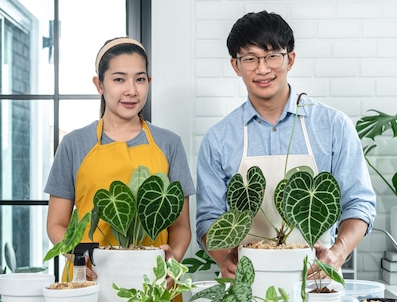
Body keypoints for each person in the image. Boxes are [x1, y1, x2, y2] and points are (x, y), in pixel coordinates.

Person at [196, 11, 376, 279]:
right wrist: (226, 260)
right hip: (247, 283)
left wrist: (336, 254)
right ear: (235, 65)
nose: (262, 69)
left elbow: (359, 203)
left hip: (317, 278)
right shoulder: (219, 139)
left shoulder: (334, 126)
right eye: (250, 59)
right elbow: (208, 219)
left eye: (272, 56)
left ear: (289, 59)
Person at [45, 37, 195, 279]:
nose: (131, 90)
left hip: (153, 279)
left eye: (140, 79)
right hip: (89, 279)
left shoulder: (169, 144)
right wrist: (80, 260)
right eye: (119, 79)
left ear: (149, 82)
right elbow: (56, 223)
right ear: (99, 85)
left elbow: (180, 226)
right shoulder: (74, 144)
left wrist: (172, 261)